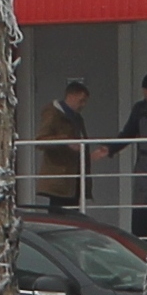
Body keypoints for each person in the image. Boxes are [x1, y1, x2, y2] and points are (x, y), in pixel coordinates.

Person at [106, 70, 147, 238]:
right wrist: (111, 149)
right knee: (142, 210)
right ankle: (141, 245)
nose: (146, 95)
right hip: (144, 163)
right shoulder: (140, 108)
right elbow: (129, 132)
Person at [32, 80, 92, 212]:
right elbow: (41, 140)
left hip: (73, 177)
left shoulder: (76, 118)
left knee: (73, 214)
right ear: (71, 96)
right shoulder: (53, 113)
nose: (83, 105)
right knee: (59, 213)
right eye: (81, 100)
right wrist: (65, 141)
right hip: (60, 176)